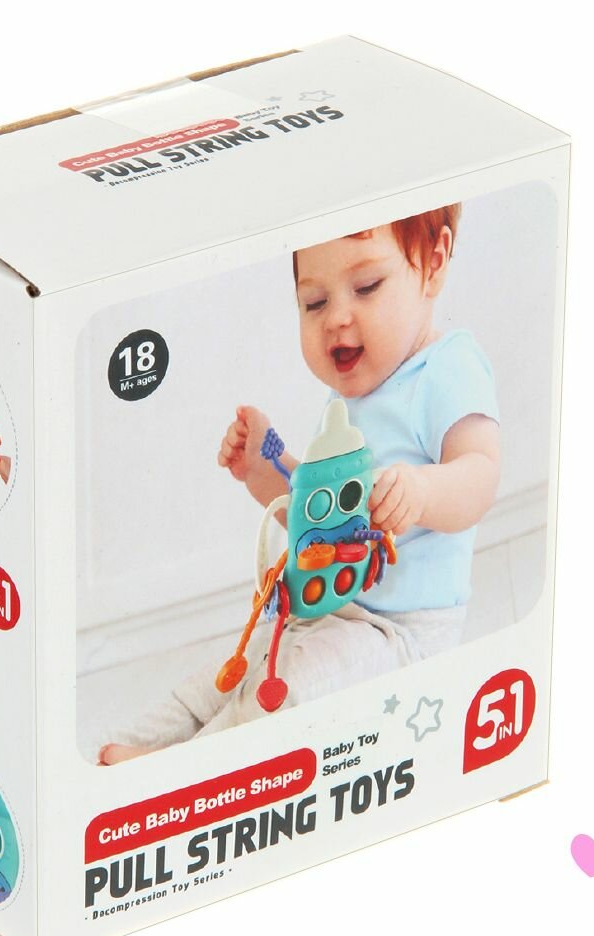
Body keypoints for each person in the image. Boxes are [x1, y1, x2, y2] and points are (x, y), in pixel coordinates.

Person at [99, 207, 499, 764]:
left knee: (281, 690)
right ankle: (123, 752)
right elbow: (318, 522)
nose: (336, 318)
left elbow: (481, 472)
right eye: (314, 303)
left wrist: (424, 491)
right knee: (225, 674)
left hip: (399, 632)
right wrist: (267, 469)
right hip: (325, 608)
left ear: (432, 265)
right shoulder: (347, 403)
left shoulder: (447, 368)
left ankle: (182, 775)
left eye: (367, 287)